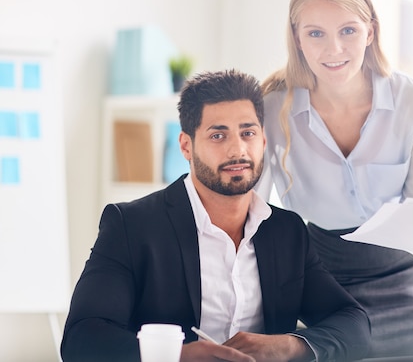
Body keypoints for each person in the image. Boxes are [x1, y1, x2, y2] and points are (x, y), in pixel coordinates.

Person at [61, 69, 371, 362]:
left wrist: (287, 345)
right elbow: (81, 338)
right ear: (186, 146)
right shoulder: (131, 226)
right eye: (218, 136)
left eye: (247, 133)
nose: (238, 150)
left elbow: (354, 325)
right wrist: (179, 356)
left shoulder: (286, 230)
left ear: (263, 141)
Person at [258, 0, 413, 358]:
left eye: (348, 31)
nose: (333, 48)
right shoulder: (272, 107)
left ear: (370, 32)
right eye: (316, 33)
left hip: (403, 279)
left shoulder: (411, 100)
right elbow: (252, 210)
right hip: (320, 280)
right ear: (297, 38)